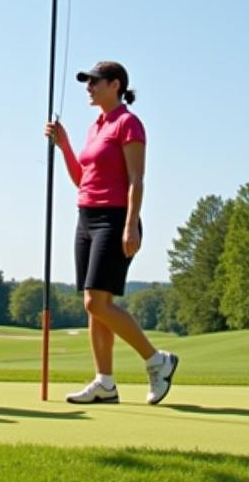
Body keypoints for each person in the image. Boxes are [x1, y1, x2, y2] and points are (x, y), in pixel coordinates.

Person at [45, 61, 178, 406]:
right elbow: (81, 179)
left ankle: (157, 361)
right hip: (85, 217)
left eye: (95, 82)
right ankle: (104, 382)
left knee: (95, 301)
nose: (89, 87)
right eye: (87, 82)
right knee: (96, 306)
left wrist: (131, 223)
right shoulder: (95, 127)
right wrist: (65, 146)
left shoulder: (128, 123)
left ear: (115, 84)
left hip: (115, 218)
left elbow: (136, 179)